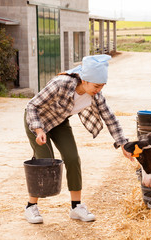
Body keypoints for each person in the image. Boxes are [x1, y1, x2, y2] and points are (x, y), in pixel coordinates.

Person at [23, 54, 133, 224]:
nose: (99, 90)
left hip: (58, 122)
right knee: (44, 163)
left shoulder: (95, 95)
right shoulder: (61, 84)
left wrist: (123, 143)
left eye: (102, 86)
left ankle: (76, 207)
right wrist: (38, 130)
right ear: (85, 80)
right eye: (96, 86)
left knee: (73, 159)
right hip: (37, 122)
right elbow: (31, 105)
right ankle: (31, 207)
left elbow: (109, 117)